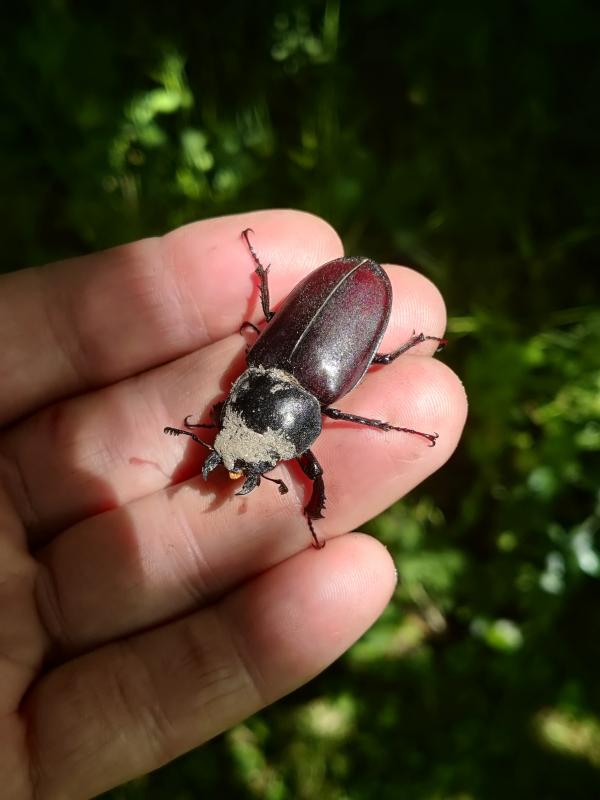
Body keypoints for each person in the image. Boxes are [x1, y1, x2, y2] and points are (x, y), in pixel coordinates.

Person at [0, 209, 467, 799]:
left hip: (343, 316)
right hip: (334, 324)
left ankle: (380, 361)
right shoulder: (272, 380)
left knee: (324, 365)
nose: (241, 461)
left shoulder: (278, 378)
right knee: (298, 365)